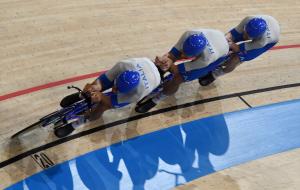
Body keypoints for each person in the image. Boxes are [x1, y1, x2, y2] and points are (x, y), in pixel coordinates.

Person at [55, 57, 161, 137]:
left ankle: (77, 123)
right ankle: (81, 95)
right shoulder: (122, 66)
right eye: (115, 86)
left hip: (153, 80)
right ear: (119, 76)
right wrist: (94, 88)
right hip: (143, 63)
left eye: (118, 90)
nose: (114, 90)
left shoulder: (138, 93)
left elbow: (111, 102)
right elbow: (101, 81)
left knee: (103, 106)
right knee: (93, 86)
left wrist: (101, 97)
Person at [135, 29, 229, 113]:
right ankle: (158, 77)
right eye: (183, 51)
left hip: (218, 56)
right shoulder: (188, 34)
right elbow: (171, 55)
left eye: (186, 55)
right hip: (214, 39)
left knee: (178, 78)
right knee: (167, 60)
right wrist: (165, 61)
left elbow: (176, 70)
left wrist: (170, 65)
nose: (183, 55)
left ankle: (156, 99)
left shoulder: (207, 59)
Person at [198, 15, 280, 86]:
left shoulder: (262, 41)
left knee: (236, 58)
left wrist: (235, 48)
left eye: (248, 36)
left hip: (267, 42)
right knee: (226, 43)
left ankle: (216, 74)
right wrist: (224, 43)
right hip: (259, 29)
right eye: (245, 32)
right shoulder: (248, 19)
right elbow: (230, 35)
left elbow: (238, 48)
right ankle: (215, 63)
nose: (245, 36)